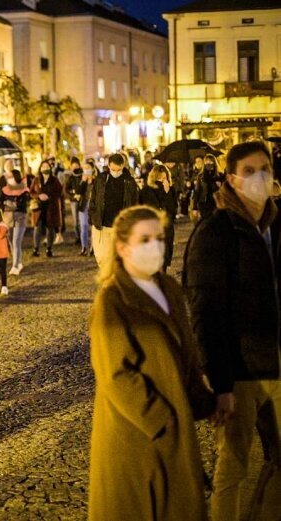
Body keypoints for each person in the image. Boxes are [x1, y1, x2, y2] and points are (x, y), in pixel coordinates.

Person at [89, 205, 215, 521]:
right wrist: (161, 418)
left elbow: (185, 354)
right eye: (144, 239)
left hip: (172, 430)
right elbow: (116, 375)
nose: (155, 246)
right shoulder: (113, 300)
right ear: (122, 247)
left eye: (159, 238)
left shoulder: (170, 288)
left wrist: (204, 402)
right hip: (136, 438)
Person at [184, 141, 281, 521]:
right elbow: (205, 311)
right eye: (250, 171)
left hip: (277, 364)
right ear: (231, 179)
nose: (260, 178)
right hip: (240, 373)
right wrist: (220, 383)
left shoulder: (276, 224)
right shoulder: (216, 231)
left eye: (266, 169)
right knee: (232, 467)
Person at [88, 153, 139, 268]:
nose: (116, 172)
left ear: (123, 166)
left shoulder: (129, 182)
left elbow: (135, 203)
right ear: (109, 166)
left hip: (120, 226)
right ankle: (108, 277)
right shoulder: (101, 179)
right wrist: (92, 217)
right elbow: (93, 199)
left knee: (120, 259)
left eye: (118, 169)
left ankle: (116, 280)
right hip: (102, 224)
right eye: (113, 169)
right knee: (101, 257)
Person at [140, 165, 178, 272]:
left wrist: (167, 192)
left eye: (164, 178)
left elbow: (173, 209)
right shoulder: (147, 191)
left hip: (166, 227)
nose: (161, 181)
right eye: (159, 178)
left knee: (164, 259)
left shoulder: (170, 190)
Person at [0, 168, 31, 274]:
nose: (9, 178)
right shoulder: (5, 189)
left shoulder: (23, 189)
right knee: (11, 241)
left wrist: (8, 203)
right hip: (8, 218)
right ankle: (19, 261)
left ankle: (15, 265)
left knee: (16, 241)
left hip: (20, 217)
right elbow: (0, 202)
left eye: (11, 176)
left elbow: (22, 205)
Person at [30, 161, 63, 258]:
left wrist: (49, 196)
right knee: (37, 228)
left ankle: (49, 249)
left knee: (50, 228)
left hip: (51, 207)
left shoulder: (54, 180)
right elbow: (31, 191)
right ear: (40, 168)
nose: (45, 168)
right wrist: (38, 196)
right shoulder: (36, 180)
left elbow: (59, 192)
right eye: (43, 166)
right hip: (39, 208)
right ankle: (35, 249)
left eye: (47, 166)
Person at [191, 154, 224, 222]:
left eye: (210, 161)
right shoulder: (201, 176)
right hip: (204, 203)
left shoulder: (220, 175)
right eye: (207, 161)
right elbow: (197, 191)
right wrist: (195, 207)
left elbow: (225, 191)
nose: (208, 163)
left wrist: (220, 186)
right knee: (206, 222)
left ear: (214, 162)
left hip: (216, 203)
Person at [75, 160, 95, 256]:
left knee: (93, 228)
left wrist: (92, 181)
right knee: (83, 226)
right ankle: (84, 247)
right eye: (85, 168)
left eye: (88, 168)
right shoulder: (82, 180)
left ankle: (93, 248)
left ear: (92, 169)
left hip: (93, 206)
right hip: (83, 205)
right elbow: (78, 191)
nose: (86, 170)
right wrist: (83, 181)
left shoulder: (97, 180)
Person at [65, 157, 83, 246]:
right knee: (76, 220)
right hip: (73, 201)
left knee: (83, 219)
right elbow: (66, 189)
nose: (75, 167)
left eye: (76, 166)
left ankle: (83, 236)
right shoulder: (70, 177)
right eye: (73, 166)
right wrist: (72, 193)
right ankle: (77, 237)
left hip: (83, 200)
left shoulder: (83, 175)